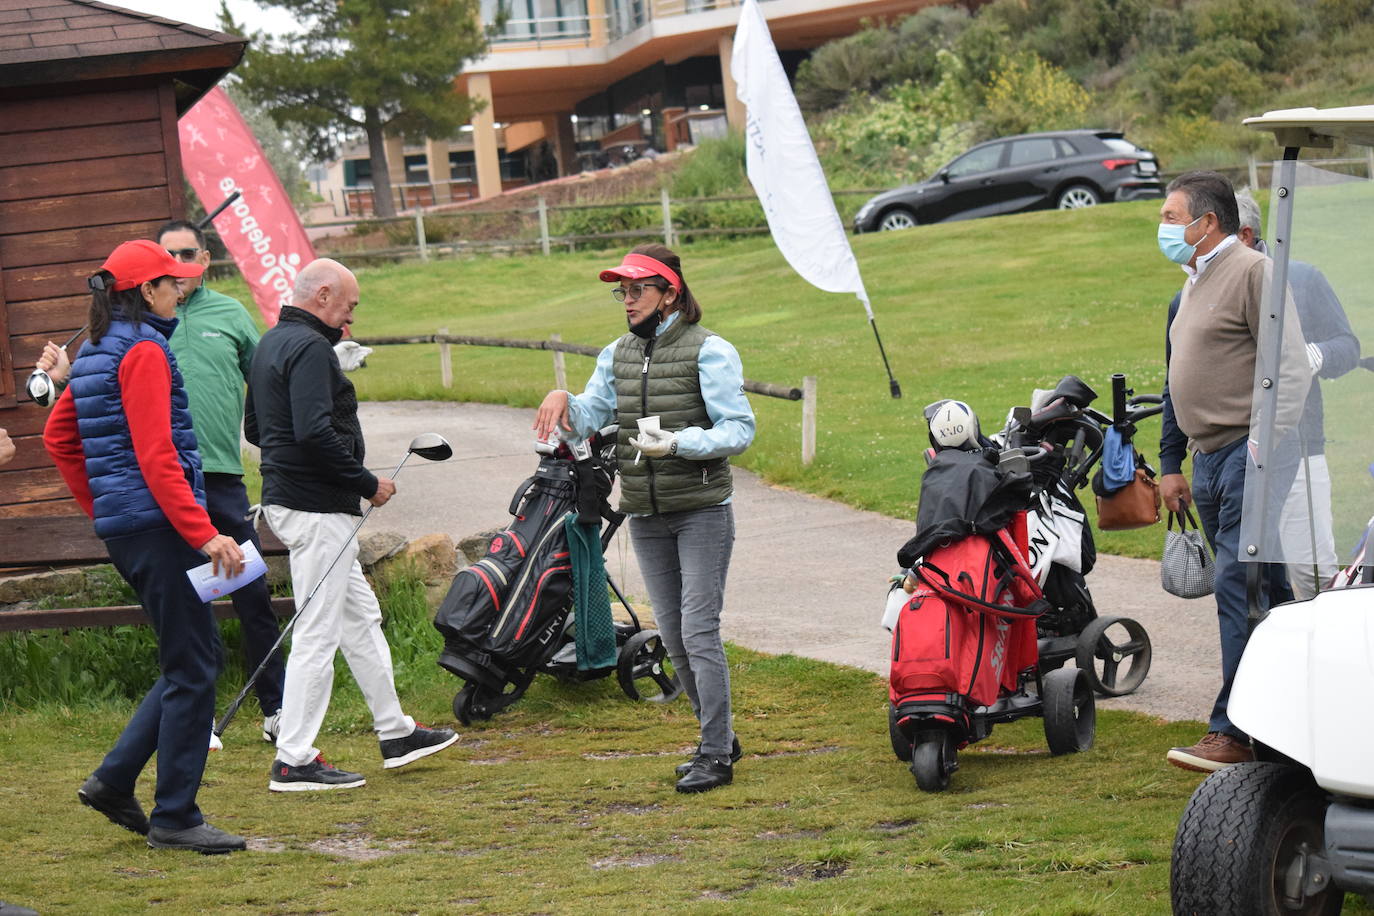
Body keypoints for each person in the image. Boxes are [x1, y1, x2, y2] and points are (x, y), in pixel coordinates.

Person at [43, 239, 248, 853]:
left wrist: (107, 509)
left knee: (192, 657)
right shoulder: (146, 350)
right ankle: (176, 816)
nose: (179, 291)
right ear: (145, 293)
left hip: (134, 530)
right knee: (194, 668)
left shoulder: (100, 349)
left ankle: (113, 781)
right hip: (162, 530)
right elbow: (159, 457)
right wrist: (205, 533)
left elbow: (59, 439)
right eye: (170, 283)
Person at [533, 243, 756, 793]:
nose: (627, 300)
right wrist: (564, 401)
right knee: (675, 637)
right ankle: (718, 739)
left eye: (637, 290)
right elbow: (587, 418)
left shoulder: (711, 351)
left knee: (699, 631)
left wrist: (680, 442)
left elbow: (739, 429)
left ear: (669, 293)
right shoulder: (617, 354)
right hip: (645, 513)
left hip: (702, 511)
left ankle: (714, 754)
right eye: (622, 291)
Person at [245, 257, 456, 792]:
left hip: (298, 504)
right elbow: (315, 433)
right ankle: (293, 758)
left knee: (361, 619)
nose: (351, 318)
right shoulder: (312, 348)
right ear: (321, 295)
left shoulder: (272, 342)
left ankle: (395, 731)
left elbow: (255, 428)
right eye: (349, 305)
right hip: (316, 510)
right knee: (317, 632)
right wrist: (368, 483)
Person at [1157, 171, 1309, 773]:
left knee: (1236, 583)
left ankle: (1235, 730)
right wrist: (1177, 459)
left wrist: (1261, 447)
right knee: (1268, 591)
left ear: (1208, 222)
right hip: (1212, 458)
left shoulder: (1252, 271)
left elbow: (1292, 368)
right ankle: (1292, 717)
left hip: (1250, 454)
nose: (1164, 229)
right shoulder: (1194, 280)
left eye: (1172, 218)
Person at [1164, 194, 1360, 601]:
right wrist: (1171, 461)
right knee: (1247, 578)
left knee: (1312, 573)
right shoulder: (1187, 296)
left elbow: (1348, 348)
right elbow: (1176, 383)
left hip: (1298, 448)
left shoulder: (1301, 279)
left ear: (1245, 234)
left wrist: (1311, 355)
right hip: (1229, 458)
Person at [157, 220, 286, 745]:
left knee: (252, 595)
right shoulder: (146, 320)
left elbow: (267, 382)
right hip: (169, 485)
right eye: (169, 257)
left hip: (224, 480)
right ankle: (197, 718)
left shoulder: (230, 314)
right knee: (187, 604)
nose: (179, 264)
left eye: (188, 254)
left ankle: (276, 710)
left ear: (205, 259)